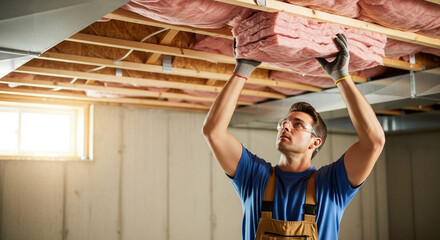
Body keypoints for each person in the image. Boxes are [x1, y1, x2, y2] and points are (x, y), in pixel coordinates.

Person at [202, 33, 385, 240]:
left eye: (298, 124)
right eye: (284, 122)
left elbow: (374, 142)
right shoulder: (254, 177)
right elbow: (213, 131)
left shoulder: (331, 184)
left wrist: (342, 77)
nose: (286, 126)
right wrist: (242, 69)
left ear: (315, 142)